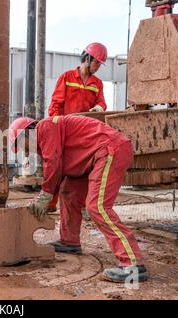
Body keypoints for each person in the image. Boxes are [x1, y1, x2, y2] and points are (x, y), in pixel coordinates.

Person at [9, 115, 148, 283]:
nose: (24, 150)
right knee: (68, 193)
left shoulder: (44, 127)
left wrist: (45, 194)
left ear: (27, 132)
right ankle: (70, 242)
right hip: (90, 159)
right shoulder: (47, 138)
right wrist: (49, 200)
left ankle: (133, 264)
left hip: (110, 150)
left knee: (97, 207)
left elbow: (52, 161)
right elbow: (58, 170)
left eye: (20, 144)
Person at [47, 42, 108, 212]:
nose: (98, 67)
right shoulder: (67, 78)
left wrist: (100, 107)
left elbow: (101, 102)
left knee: (83, 171)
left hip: (84, 135)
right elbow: (55, 105)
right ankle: (50, 205)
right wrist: (57, 128)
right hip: (66, 131)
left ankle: (79, 207)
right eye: (97, 63)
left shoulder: (97, 84)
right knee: (58, 168)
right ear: (87, 58)